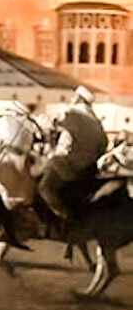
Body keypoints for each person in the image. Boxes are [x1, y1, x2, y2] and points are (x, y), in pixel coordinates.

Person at [38, 85, 108, 221]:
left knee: (44, 188)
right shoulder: (97, 124)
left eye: (74, 97)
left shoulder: (72, 115)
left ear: (78, 99)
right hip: (89, 170)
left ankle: (65, 217)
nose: (72, 99)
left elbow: (48, 124)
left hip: (68, 165)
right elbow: (103, 145)